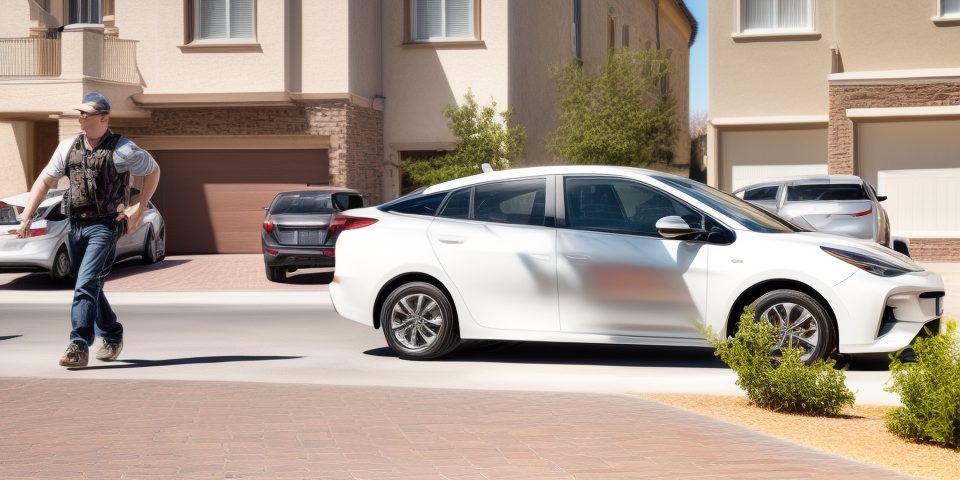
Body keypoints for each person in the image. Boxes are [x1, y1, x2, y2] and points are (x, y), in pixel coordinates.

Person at [16, 92, 161, 368]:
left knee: (85, 284)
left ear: (103, 117)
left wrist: (139, 207)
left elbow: (153, 171)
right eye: (79, 112)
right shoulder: (67, 147)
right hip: (76, 225)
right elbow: (44, 181)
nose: (80, 116)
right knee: (88, 284)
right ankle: (112, 333)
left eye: (86, 113)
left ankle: (78, 344)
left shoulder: (123, 149)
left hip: (105, 226)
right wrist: (27, 217)